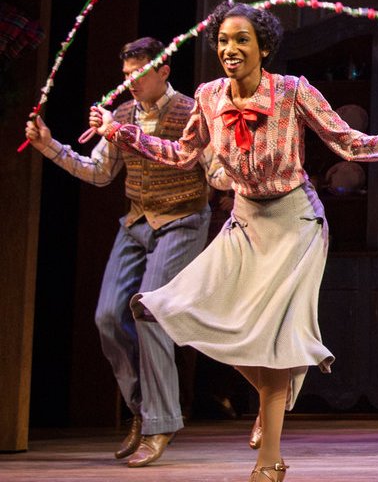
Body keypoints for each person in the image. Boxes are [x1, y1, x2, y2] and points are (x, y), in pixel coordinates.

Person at [88, 3, 378, 482]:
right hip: (244, 221)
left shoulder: (291, 91)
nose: (230, 49)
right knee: (166, 309)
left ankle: (270, 462)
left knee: (274, 341)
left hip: (295, 222)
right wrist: (121, 133)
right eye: (223, 40)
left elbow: (349, 143)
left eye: (241, 39)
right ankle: (268, 395)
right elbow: (182, 155)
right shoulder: (208, 96)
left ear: (263, 47)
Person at [25, 36, 228, 467]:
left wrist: (238, 174)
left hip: (183, 221)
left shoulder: (192, 112)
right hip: (137, 222)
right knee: (107, 316)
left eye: (139, 73)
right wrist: (49, 146)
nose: (131, 82)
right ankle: (143, 407)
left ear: (163, 71)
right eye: (126, 75)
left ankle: (161, 423)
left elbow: (215, 172)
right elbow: (99, 173)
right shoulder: (120, 116)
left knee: (147, 309)